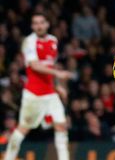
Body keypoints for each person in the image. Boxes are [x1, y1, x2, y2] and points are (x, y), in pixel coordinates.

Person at [4, 13, 75, 160]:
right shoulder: (29, 42)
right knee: (22, 130)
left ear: (47, 24)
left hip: (50, 94)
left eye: (41, 22)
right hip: (34, 95)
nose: (39, 26)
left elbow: (50, 65)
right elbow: (35, 66)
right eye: (35, 23)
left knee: (61, 126)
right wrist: (58, 73)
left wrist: (57, 86)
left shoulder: (53, 41)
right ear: (32, 26)